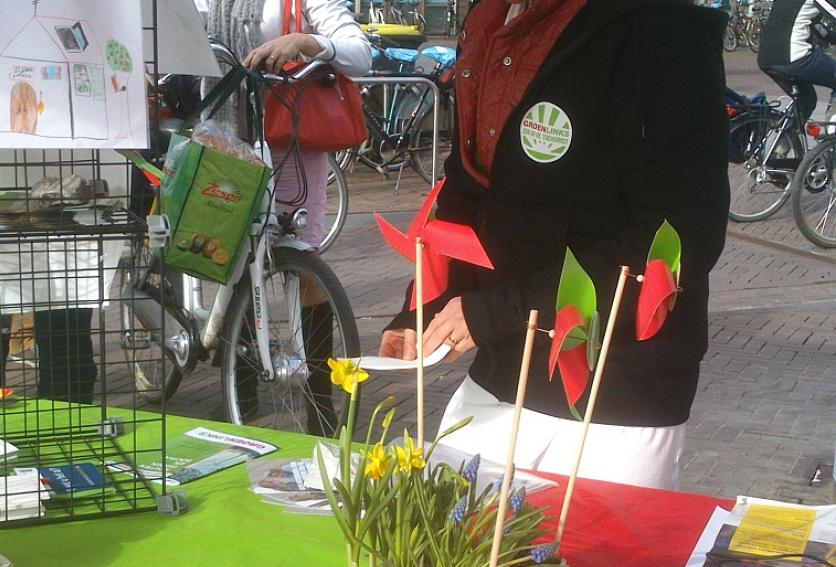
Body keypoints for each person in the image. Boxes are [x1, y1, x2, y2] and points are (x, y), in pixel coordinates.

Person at [379, 0, 729, 490]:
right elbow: (468, 189)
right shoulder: (490, 20)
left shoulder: (658, 29)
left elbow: (675, 241)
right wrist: (425, 309)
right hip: (502, 371)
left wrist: (498, 311)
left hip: (613, 396)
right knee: (445, 550)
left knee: (589, 564)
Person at [202, 0, 371, 434]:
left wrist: (308, 41)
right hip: (223, 127)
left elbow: (360, 54)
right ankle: (240, 388)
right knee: (234, 254)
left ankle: (321, 405)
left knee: (302, 260)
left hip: (289, 136)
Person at [758, 0, 836, 122]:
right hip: (794, 57)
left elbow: (815, 25)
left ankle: (789, 137)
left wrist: (831, 37)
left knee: (807, 102)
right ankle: (832, 131)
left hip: (767, 58)